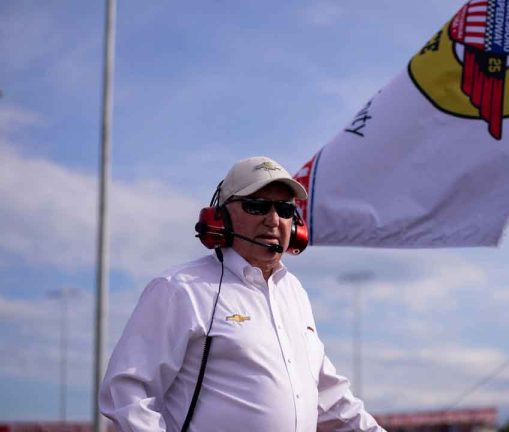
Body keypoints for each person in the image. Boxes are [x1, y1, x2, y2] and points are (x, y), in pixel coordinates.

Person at [99, 156, 385, 431]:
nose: (273, 220)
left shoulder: (294, 292)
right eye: (256, 206)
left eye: (285, 210)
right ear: (221, 216)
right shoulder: (180, 288)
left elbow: (328, 396)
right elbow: (127, 391)